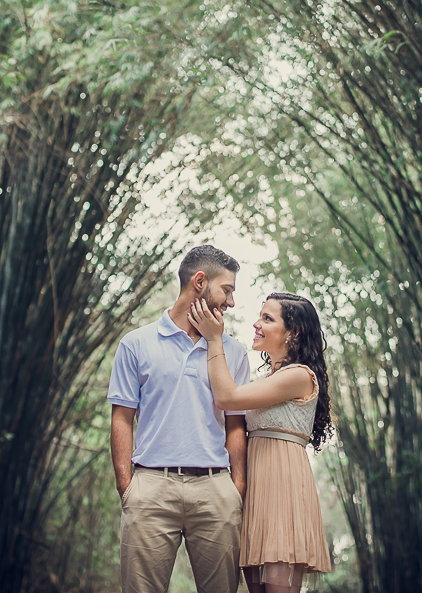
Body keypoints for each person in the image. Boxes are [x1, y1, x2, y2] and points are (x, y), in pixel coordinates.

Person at [108, 245, 251, 593]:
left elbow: (236, 424)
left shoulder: (233, 351)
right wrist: (128, 486)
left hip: (216, 489)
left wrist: (237, 486)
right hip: (151, 488)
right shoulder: (135, 344)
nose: (231, 302)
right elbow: (122, 418)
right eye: (227, 290)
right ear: (199, 282)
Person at [188, 292, 334, 593]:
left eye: (267, 319)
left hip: (283, 490)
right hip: (256, 491)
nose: (257, 324)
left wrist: (215, 340)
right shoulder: (269, 377)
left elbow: (227, 398)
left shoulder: (299, 375)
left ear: (292, 332)